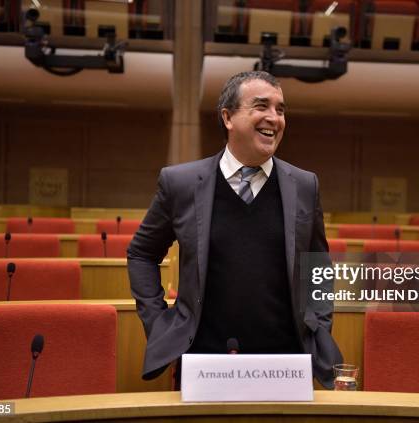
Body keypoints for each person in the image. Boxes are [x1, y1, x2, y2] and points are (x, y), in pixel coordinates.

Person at [128, 70, 342, 389]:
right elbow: (142, 253)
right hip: (203, 363)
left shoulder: (305, 185)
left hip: (285, 366)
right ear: (228, 117)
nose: (274, 118)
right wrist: (160, 323)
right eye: (261, 106)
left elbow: (317, 265)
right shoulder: (181, 183)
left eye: (280, 109)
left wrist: (318, 327)